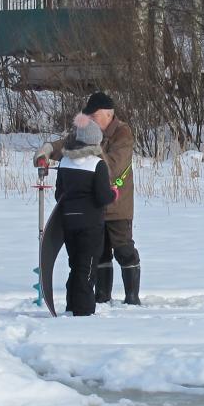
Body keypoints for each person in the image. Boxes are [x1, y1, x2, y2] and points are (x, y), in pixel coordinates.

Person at [36, 92, 139, 305]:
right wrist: (48, 150)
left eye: (94, 116)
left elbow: (112, 167)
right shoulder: (89, 131)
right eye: (88, 116)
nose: (90, 119)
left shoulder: (123, 134)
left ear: (108, 115)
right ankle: (102, 296)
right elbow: (69, 143)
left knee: (124, 249)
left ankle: (132, 297)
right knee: (99, 253)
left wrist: (87, 151)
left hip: (117, 204)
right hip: (94, 208)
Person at [53, 114, 118, 316]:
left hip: (68, 223)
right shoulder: (96, 164)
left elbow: (58, 194)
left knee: (75, 265)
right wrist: (114, 192)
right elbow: (102, 197)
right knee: (87, 268)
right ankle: (83, 312)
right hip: (90, 224)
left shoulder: (64, 161)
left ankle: (71, 305)